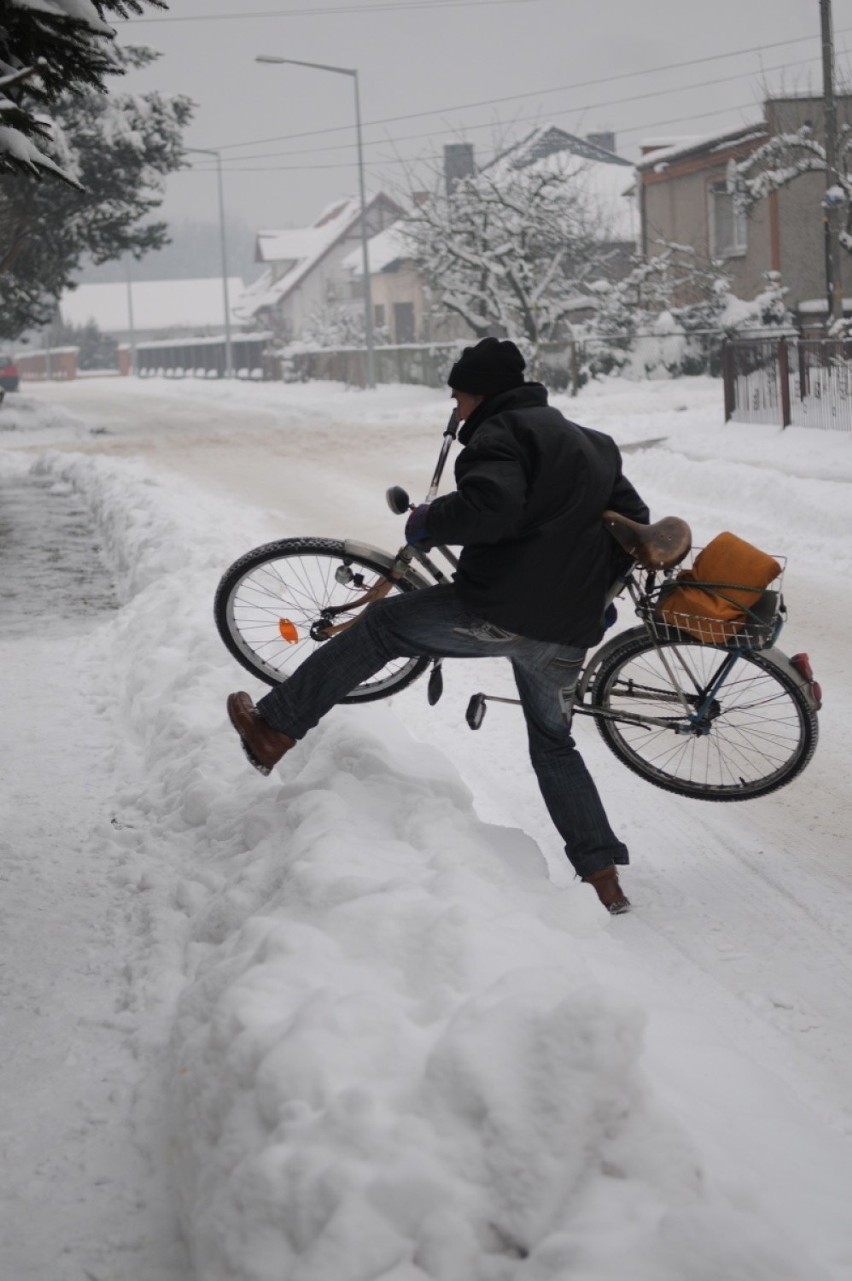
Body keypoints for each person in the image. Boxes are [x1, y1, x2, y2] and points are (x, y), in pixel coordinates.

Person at [227, 337, 649, 914]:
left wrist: (430, 519)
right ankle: (603, 877)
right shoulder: (593, 445)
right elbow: (634, 527)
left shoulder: (500, 436)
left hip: (499, 614)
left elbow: (492, 510)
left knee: (381, 626)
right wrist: (590, 593)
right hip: (565, 631)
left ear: (480, 394)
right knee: (554, 745)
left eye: (457, 396)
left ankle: (274, 728)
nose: (454, 409)